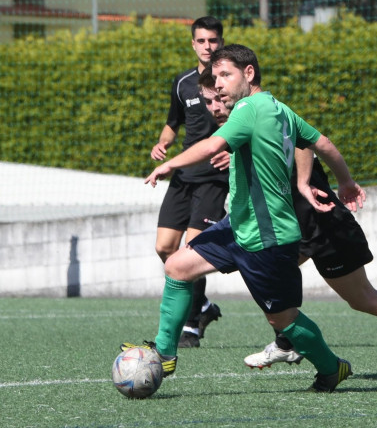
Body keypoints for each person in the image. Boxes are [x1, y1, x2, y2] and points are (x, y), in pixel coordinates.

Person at [124, 44, 364, 393]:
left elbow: (211, 146)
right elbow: (323, 143)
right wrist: (346, 182)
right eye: (215, 76)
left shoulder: (249, 107)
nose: (217, 84)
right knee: (177, 266)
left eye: (225, 75)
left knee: (282, 319)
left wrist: (169, 163)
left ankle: (332, 367)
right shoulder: (281, 110)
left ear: (249, 74)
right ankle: (164, 352)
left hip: (268, 237)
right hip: (238, 226)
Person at [196, 69, 377, 373]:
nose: (215, 106)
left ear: (239, 84)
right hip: (291, 228)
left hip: (323, 223)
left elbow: (308, 145)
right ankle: (288, 343)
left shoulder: (265, 112)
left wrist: (304, 183)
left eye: (219, 97)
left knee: (364, 299)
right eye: (208, 101)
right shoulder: (240, 126)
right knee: (269, 276)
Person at [150, 16, 226, 349]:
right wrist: (163, 142)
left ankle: (191, 324)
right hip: (182, 176)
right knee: (165, 248)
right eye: (202, 41)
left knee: (191, 253)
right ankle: (204, 306)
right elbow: (173, 122)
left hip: (213, 178)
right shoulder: (182, 83)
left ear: (220, 42)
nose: (208, 46)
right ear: (193, 44)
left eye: (213, 40)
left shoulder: (230, 82)